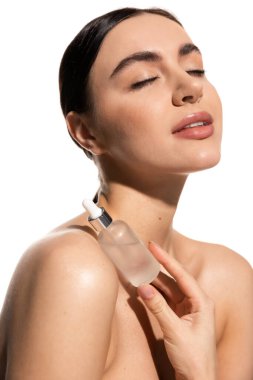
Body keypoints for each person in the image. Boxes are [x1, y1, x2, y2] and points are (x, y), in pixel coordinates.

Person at [0, 6, 252, 380]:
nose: (190, 88)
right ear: (86, 132)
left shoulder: (229, 278)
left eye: (195, 68)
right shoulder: (73, 268)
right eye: (145, 79)